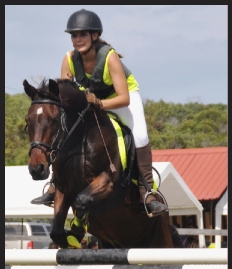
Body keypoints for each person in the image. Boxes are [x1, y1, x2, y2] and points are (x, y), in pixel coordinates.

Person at [31, 9, 168, 217]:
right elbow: (67, 97)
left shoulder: (109, 57)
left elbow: (124, 98)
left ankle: (147, 191)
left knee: (139, 135)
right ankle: (54, 184)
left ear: (94, 36)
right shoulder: (68, 59)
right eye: (74, 36)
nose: (77, 40)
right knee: (66, 127)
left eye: (82, 35)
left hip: (121, 97)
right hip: (92, 99)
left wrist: (100, 104)